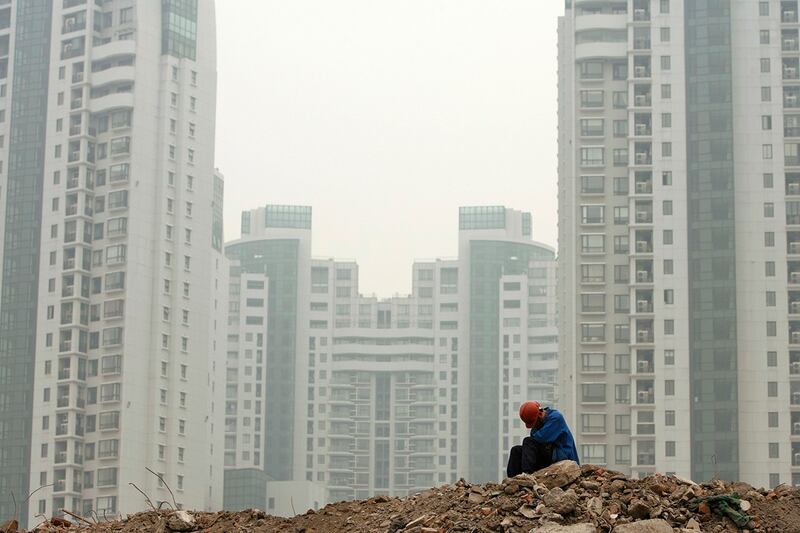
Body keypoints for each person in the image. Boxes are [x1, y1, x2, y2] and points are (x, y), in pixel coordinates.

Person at [506, 401, 579, 478]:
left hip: (561, 457)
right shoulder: (538, 425)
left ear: (540, 414)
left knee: (528, 441)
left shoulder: (556, 418)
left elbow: (541, 438)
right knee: (516, 450)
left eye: (534, 423)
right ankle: (512, 480)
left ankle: (527, 475)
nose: (534, 426)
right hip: (548, 456)